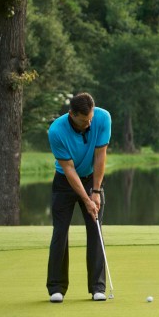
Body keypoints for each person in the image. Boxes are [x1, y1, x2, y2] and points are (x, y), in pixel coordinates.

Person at [46, 93, 112, 303]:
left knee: (95, 229)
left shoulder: (103, 118)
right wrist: (85, 198)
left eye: (90, 119)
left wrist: (96, 191)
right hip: (65, 181)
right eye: (84, 121)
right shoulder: (56, 131)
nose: (88, 123)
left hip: (92, 178)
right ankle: (56, 287)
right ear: (71, 114)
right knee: (60, 231)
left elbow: (100, 155)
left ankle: (97, 288)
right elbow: (68, 169)